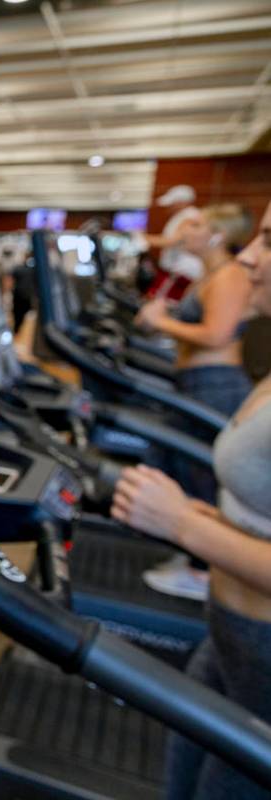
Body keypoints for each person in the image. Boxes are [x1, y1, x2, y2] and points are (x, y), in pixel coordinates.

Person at [112, 200, 271, 799]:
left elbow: (212, 334)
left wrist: (184, 526)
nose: (250, 257)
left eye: (270, 241)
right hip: (231, 636)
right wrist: (213, 515)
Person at [136, 204, 253, 599]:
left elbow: (216, 334)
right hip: (194, 380)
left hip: (215, 384)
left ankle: (204, 571)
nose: (188, 229)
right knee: (180, 465)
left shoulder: (230, 274)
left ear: (218, 235)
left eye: (199, 224)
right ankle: (195, 560)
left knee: (202, 473)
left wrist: (161, 322)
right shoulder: (209, 275)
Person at [140, 185, 204, 300]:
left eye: (172, 203)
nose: (169, 207)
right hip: (174, 270)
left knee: (157, 300)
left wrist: (142, 238)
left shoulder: (190, 217)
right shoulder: (183, 216)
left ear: (181, 202)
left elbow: (172, 241)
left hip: (181, 270)